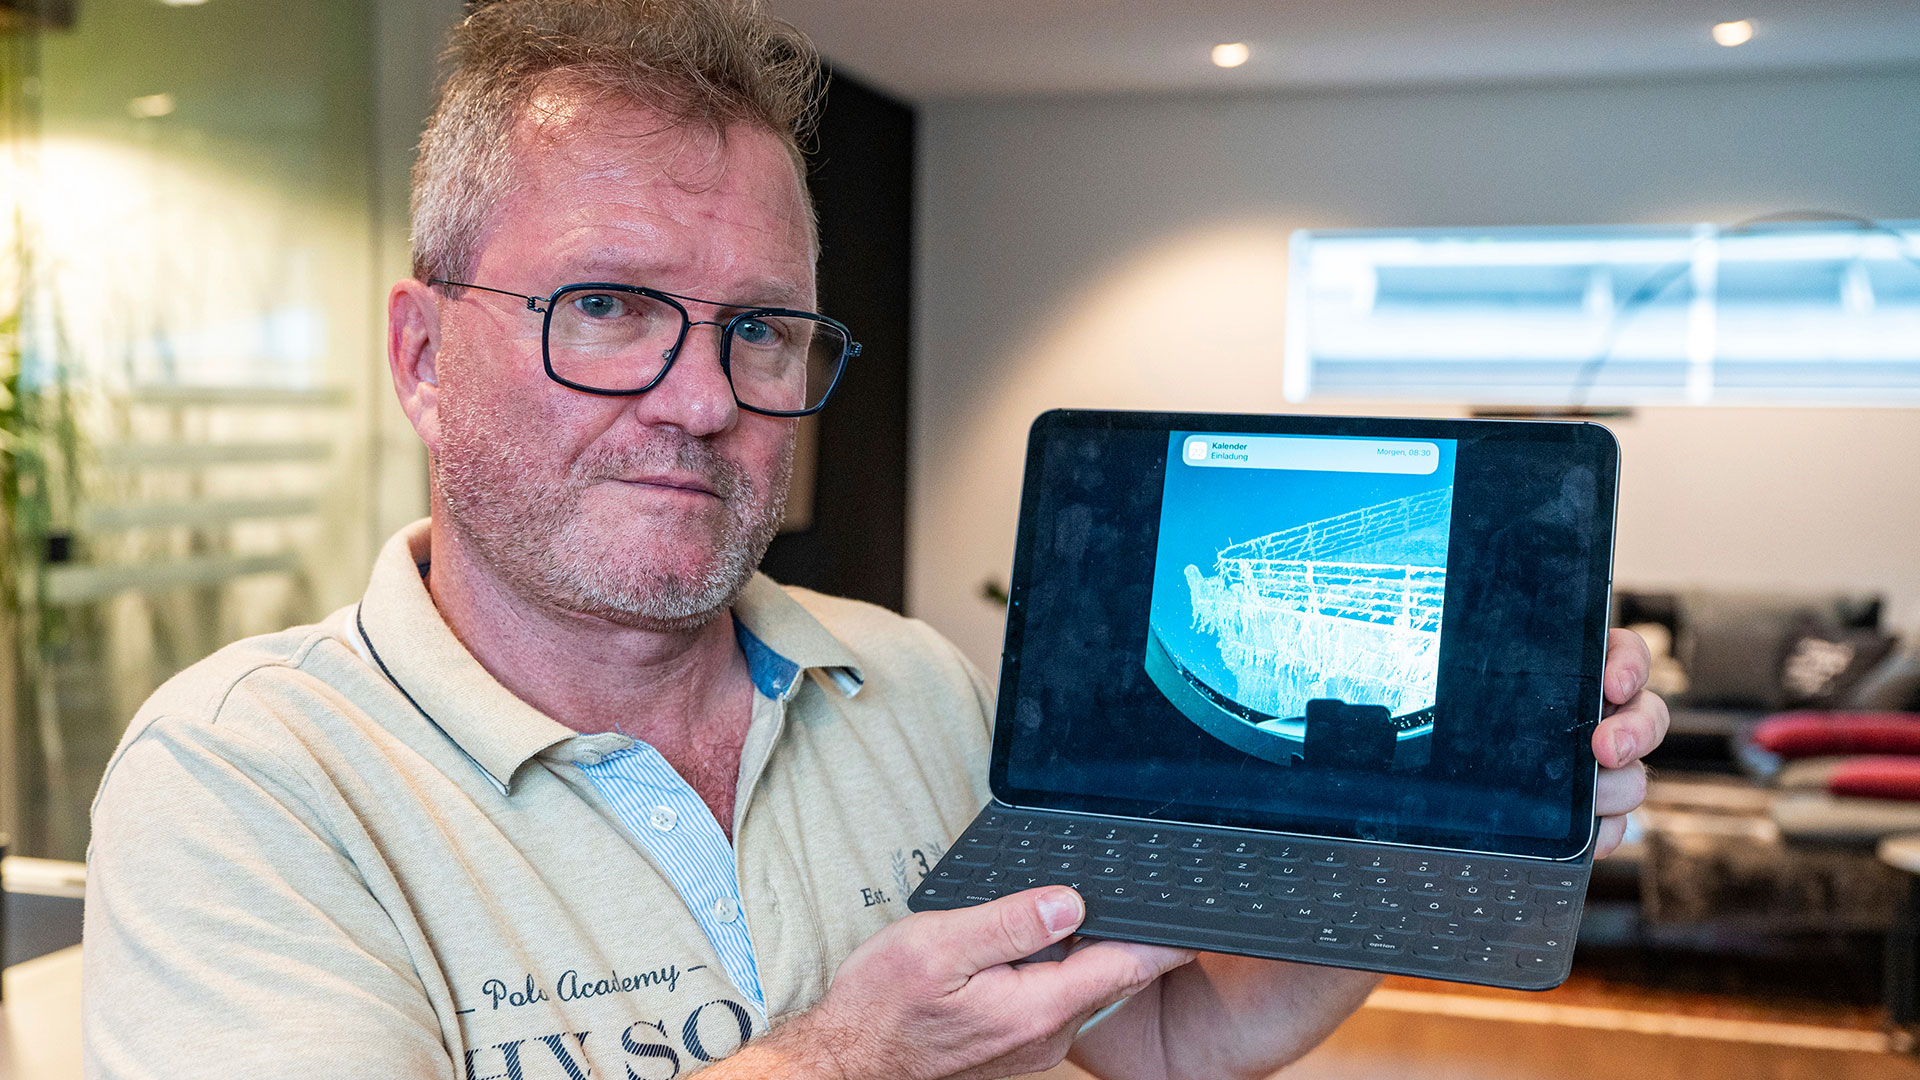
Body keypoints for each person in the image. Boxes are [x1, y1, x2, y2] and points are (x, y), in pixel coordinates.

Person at [80, 2, 1669, 1077]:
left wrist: (1442, 835)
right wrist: (845, 1059)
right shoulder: (246, 779)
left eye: (763, 331)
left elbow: (1164, 1040)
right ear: (423, 356)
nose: (701, 399)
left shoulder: (906, 685)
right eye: (612, 309)